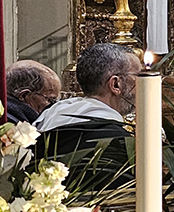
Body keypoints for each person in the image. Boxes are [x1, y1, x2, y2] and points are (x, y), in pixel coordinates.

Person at [36, 43, 138, 177]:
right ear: (115, 84)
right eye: (139, 77)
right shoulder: (115, 142)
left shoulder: (48, 117)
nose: (141, 86)